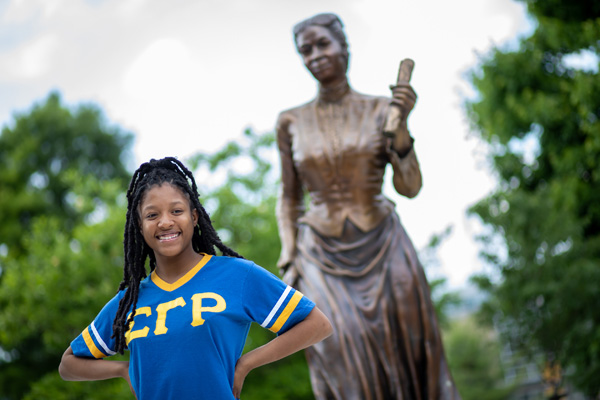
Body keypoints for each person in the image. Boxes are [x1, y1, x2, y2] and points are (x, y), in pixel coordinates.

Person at [275, 13, 460, 399]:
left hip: (384, 243)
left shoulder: (382, 110)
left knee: (409, 343)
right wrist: (289, 256)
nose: (315, 56)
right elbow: (290, 196)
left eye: (323, 44)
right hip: (320, 255)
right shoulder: (290, 121)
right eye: (305, 50)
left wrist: (403, 127)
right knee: (337, 348)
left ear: (344, 47)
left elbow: (410, 187)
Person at [58, 157, 332, 400]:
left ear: (194, 216)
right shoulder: (129, 302)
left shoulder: (236, 275)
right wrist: (123, 369)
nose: (165, 222)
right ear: (140, 227)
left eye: (176, 211)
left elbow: (317, 324)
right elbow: (68, 364)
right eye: (152, 215)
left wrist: (245, 364)